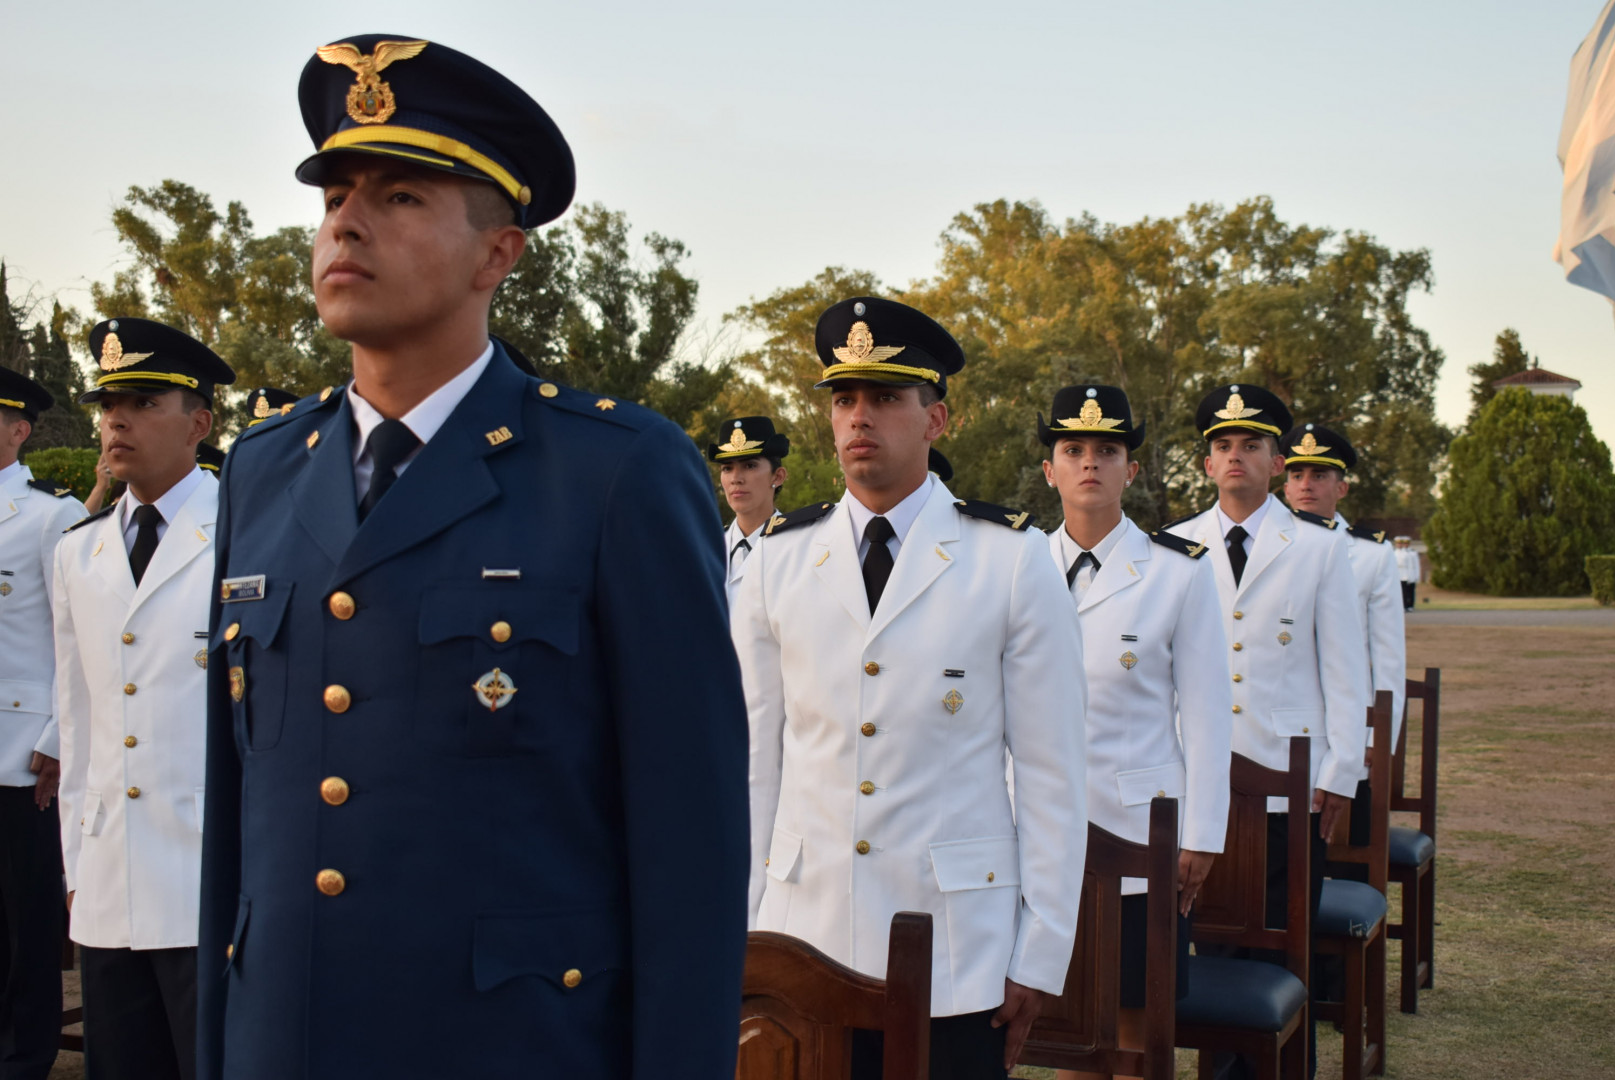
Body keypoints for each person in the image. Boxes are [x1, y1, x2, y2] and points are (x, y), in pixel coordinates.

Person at [196, 35, 749, 1080]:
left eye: (400, 197)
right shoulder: (262, 474)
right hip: (286, 1040)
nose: (346, 223)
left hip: (511, 1045)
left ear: (499, 253)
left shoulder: (615, 473)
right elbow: (238, 832)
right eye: (333, 197)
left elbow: (690, 849)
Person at [734, 296, 1088, 1079]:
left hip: (958, 943)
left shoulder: (1011, 561)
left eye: (886, 398)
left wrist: (1041, 949)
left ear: (936, 420)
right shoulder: (776, 564)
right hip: (802, 932)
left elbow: (1053, 774)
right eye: (844, 398)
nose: (860, 417)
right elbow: (755, 762)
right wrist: (743, 929)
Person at [1165, 385, 1367, 1077]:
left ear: (1277, 461)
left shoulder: (1315, 550)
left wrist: (1342, 776)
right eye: (1223, 446)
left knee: (1285, 954)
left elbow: (1346, 669)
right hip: (1202, 782)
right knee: (1209, 949)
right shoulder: (1178, 546)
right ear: (1205, 463)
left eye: (1251, 445)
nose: (1235, 457)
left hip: (1290, 784)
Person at [54, 317, 235, 1080]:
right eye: (106, 405)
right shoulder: (79, 550)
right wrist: (74, 864)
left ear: (199, 422)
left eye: (142, 402)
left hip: (208, 872)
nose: (115, 421)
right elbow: (81, 719)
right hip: (109, 873)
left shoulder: (243, 532)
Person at [1036, 384, 1232, 1080]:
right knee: (1055, 1024)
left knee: (1130, 1026)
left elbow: (1207, 711)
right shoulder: (1015, 564)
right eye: (1074, 449)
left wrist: (1203, 833)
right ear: (1050, 469)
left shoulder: (1178, 574)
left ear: (1133, 471)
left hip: (1137, 835)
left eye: (1108, 450)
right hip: (1033, 832)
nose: (1091, 462)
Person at [0, 368, 85, 1080]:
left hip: (18, 752)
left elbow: (77, 632)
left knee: (23, 919)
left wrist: (59, 739)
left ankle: (24, 1058)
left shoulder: (45, 516)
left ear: (19, 429)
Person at [1281, 422, 1406, 798]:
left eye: (1319, 475)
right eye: (1297, 474)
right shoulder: (1261, 550)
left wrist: (1376, 738)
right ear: (1283, 486)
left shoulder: (1370, 554)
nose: (1306, 485)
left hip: (1350, 727)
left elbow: (1388, 659)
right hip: (1281, 726)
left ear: (1342, 488)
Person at [710, 415, 788, 607]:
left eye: (750, 465)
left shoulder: (802, 546)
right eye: (727, 468)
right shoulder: (709, 548)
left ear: (778, 476)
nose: (736, 478)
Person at [1394, 536, 1419, 611]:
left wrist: (1414, 575)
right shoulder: (1394, 553)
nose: (1401, 545)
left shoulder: (1408, 553)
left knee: (1408, 591)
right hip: (1398, 574)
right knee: (1401, 591)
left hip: (1406, 574)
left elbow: (1412, 566)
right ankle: (1402, 605)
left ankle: (1408, 605)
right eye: (1398, 543)